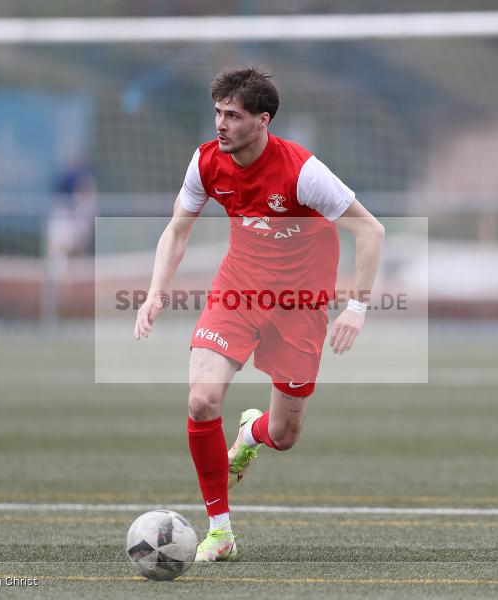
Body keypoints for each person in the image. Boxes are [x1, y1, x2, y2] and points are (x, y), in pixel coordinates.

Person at [133, 67, 384, 562]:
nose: (220, 124)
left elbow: (370, 231)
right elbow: (176, 231)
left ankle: (251, 433)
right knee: (202, 399)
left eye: (233, 115)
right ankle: (219, 530)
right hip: (237, 292)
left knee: (285, 436)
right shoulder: (206, 163)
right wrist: (155, 292)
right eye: (218, 113)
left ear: (262, 120)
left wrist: (356, 308)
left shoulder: (303, 171)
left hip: (299, 306)